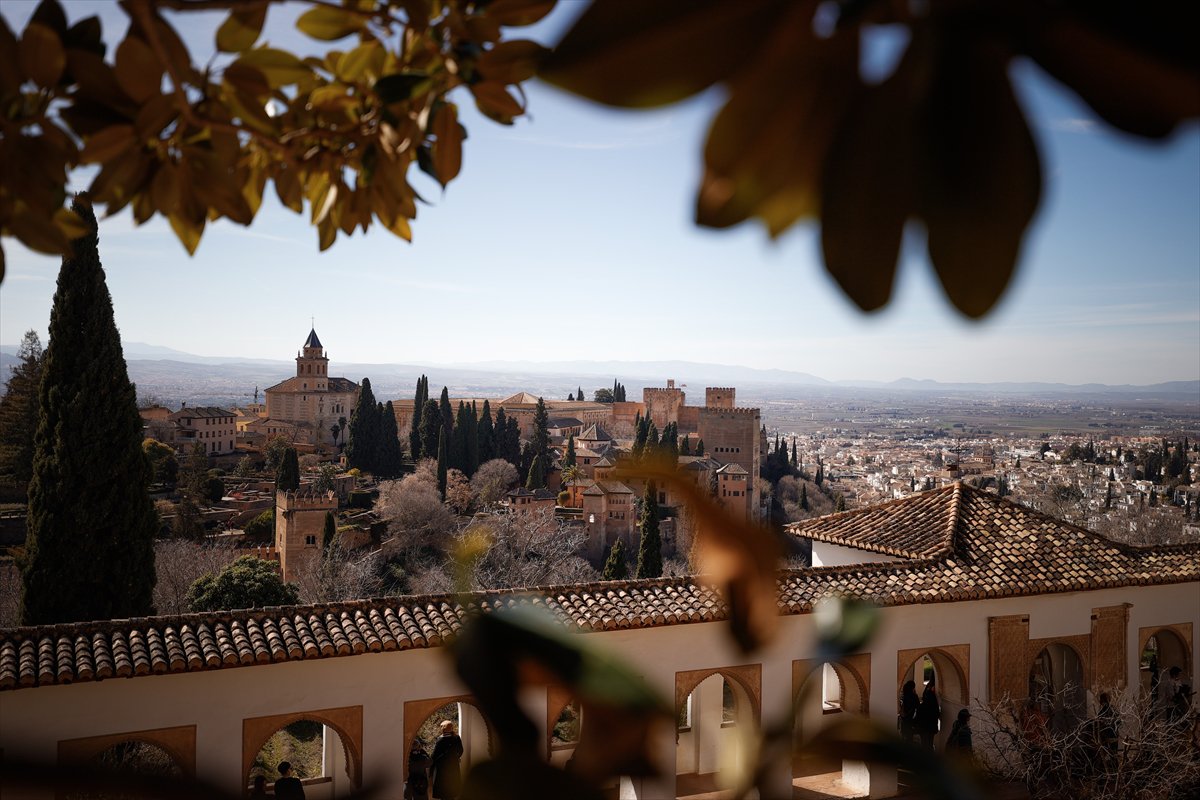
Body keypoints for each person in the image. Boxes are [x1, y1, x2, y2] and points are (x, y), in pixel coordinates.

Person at [430, 720, 464, 800]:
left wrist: (431, 764)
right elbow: (461, 750)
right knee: (452, 786)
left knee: (443, 788)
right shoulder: (456, 738)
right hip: (453, 766)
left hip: (442, 767)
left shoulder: (440, 740)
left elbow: (434, 755)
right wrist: (455, 758)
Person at [916, 676, 941, 750]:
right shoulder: (934, 706)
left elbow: (918, 716)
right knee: (929, 743)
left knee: (924, 743)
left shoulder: (922, 706)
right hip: (931, 727)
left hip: (923, 728)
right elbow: (937, 714)